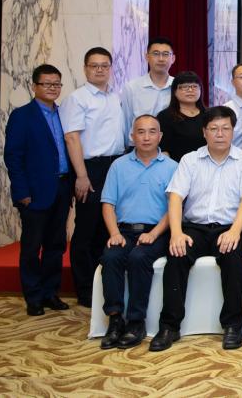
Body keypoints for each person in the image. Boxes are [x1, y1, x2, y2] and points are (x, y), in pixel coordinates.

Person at [149, 106, 242, 352]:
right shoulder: (190, 160)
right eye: (214, 128)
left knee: (233, 258)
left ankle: (232, 326)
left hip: (228, 227)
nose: (220, 134)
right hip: (194, 227)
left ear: (233, 131)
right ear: (204, 132)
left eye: (225, 128)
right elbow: (176, 197)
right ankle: (169, 327)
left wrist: (235, 231)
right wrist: (176, 233)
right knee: (176, 255)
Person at [98, 115, 177, 349]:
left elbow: (174, 208)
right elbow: (108, 204)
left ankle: (135, 322)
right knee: (110, 257)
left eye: (152, 132)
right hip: (123, 230)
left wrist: (154, 234)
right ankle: (115, 320)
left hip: (157, 231)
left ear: (160, 136)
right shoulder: (119, 165)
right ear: (132, 136)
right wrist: (114, 233)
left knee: (139, 257)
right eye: (140, 132)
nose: (146, 137)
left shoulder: (172, 167)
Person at [3, 64, 72, 316]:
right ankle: (33, 297)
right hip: (34, 193)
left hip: (62, 188)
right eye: (47, 84)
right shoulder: (22, 116)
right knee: (32, 247)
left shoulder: (65, 114)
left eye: (57, 84)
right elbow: (13, 157)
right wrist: (22, 192)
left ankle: (50, 292)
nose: (52, 88)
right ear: (34, 86)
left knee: (56, 245)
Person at [60, 47, 126, 307]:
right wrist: (81, 175)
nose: (100, 70)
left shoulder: (114, 97)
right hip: (90, 168)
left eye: (104, 65)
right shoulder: (77, 98)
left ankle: (103, 285)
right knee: (86, 229)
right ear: (85, 68)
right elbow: (71, 137)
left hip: (115, 165)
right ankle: (85, 289)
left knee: (105, 227)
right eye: (94, 65)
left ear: (110, 68)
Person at [120, 36, 175, 138]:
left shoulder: (179, 87)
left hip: (171, 144)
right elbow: (125, 122)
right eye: (156, 54)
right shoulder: (132, 87)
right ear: (147, 57)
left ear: (173, 59)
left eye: (165, 54)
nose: (161, 59)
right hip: (139, 145)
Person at [155, 71, 206, 163]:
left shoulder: (209, 115)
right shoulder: (165, 117)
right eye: (185, 87)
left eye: (194, 86)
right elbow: (163, 149)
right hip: (176, 167)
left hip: (207, 166)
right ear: (174, 91)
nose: (190, 90)